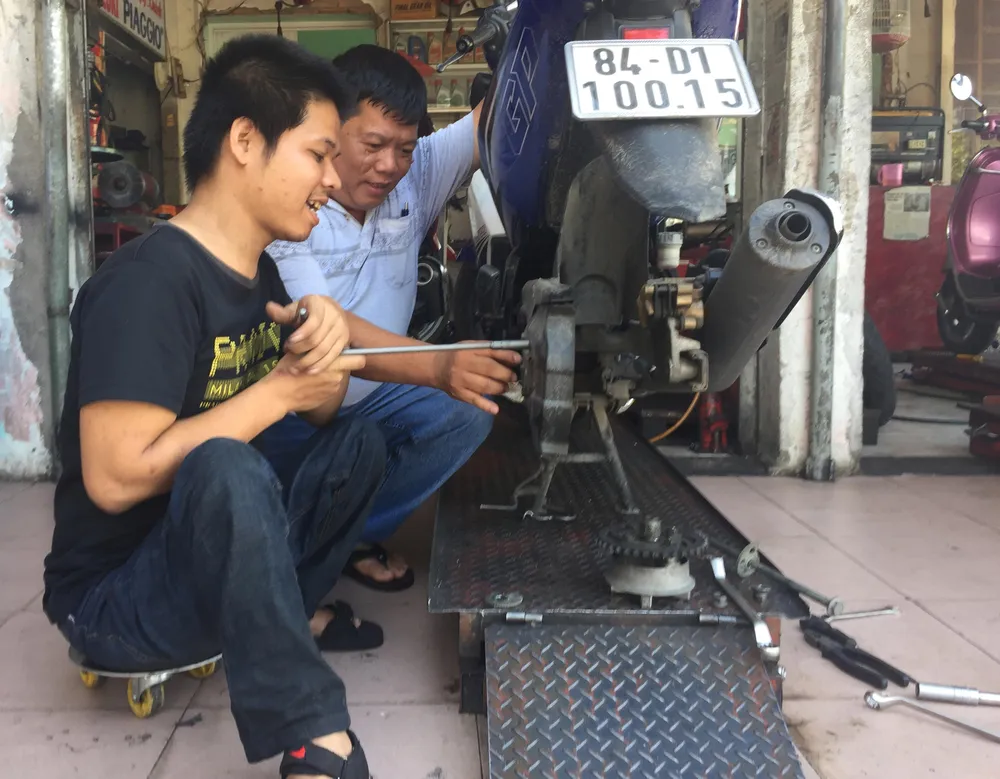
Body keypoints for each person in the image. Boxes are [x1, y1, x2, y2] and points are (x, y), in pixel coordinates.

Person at [42, 35, 378, 779]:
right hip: (113, 600)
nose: (334, 178)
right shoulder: (147, 283)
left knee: (359, 442)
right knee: (226, 464)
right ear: (245, 140)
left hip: (201, 563)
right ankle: (313, 735)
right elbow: (114, 479)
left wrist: (320, 352)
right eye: (319, 154)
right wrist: (278, 390)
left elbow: (317, 415)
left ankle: (284, 615)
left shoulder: (261, 276)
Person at [260, 44, 519, 593]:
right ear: (331, 131)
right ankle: (292, 544)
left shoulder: (414, 175)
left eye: (404, 148)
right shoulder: (292, 203)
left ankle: (352, 533)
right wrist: (438, 365)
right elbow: (330, 330)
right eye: (373, 145)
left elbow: (490, 119)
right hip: (293, 414)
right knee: (266, 506)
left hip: (375, 400)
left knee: (466, 415)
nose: (389, 166)